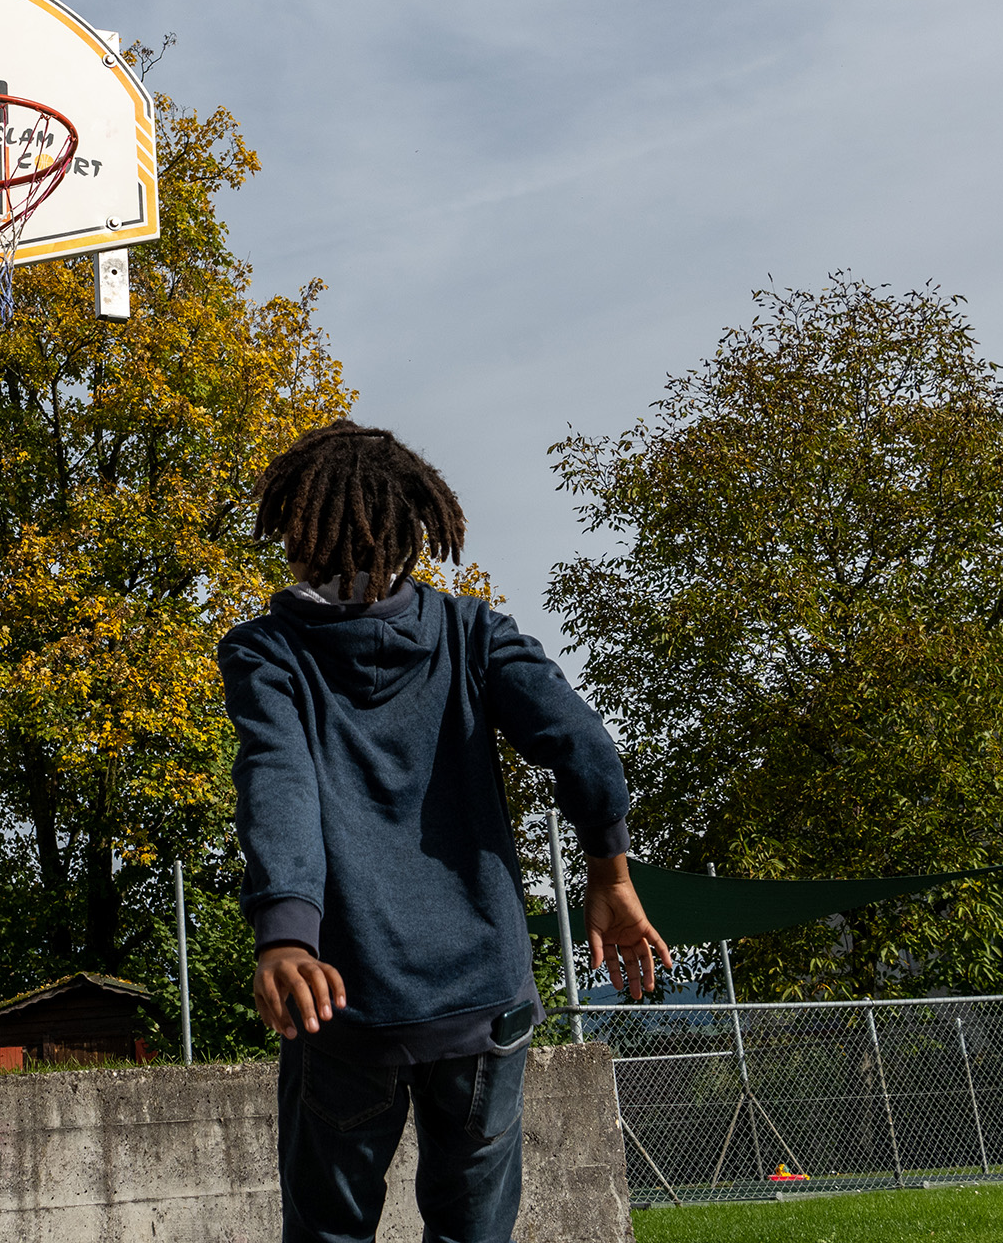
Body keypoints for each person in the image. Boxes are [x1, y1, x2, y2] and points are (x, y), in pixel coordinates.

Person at [220, 421, 673, 1243]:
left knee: (330, 1235)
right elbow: (584, 745)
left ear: (294, 530)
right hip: (484, 1003)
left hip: (344, 1005)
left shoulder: (266, 653)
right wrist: (610, 875)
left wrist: (287, 934)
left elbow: (275, 779)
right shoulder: (474, 634)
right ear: (414, 533)